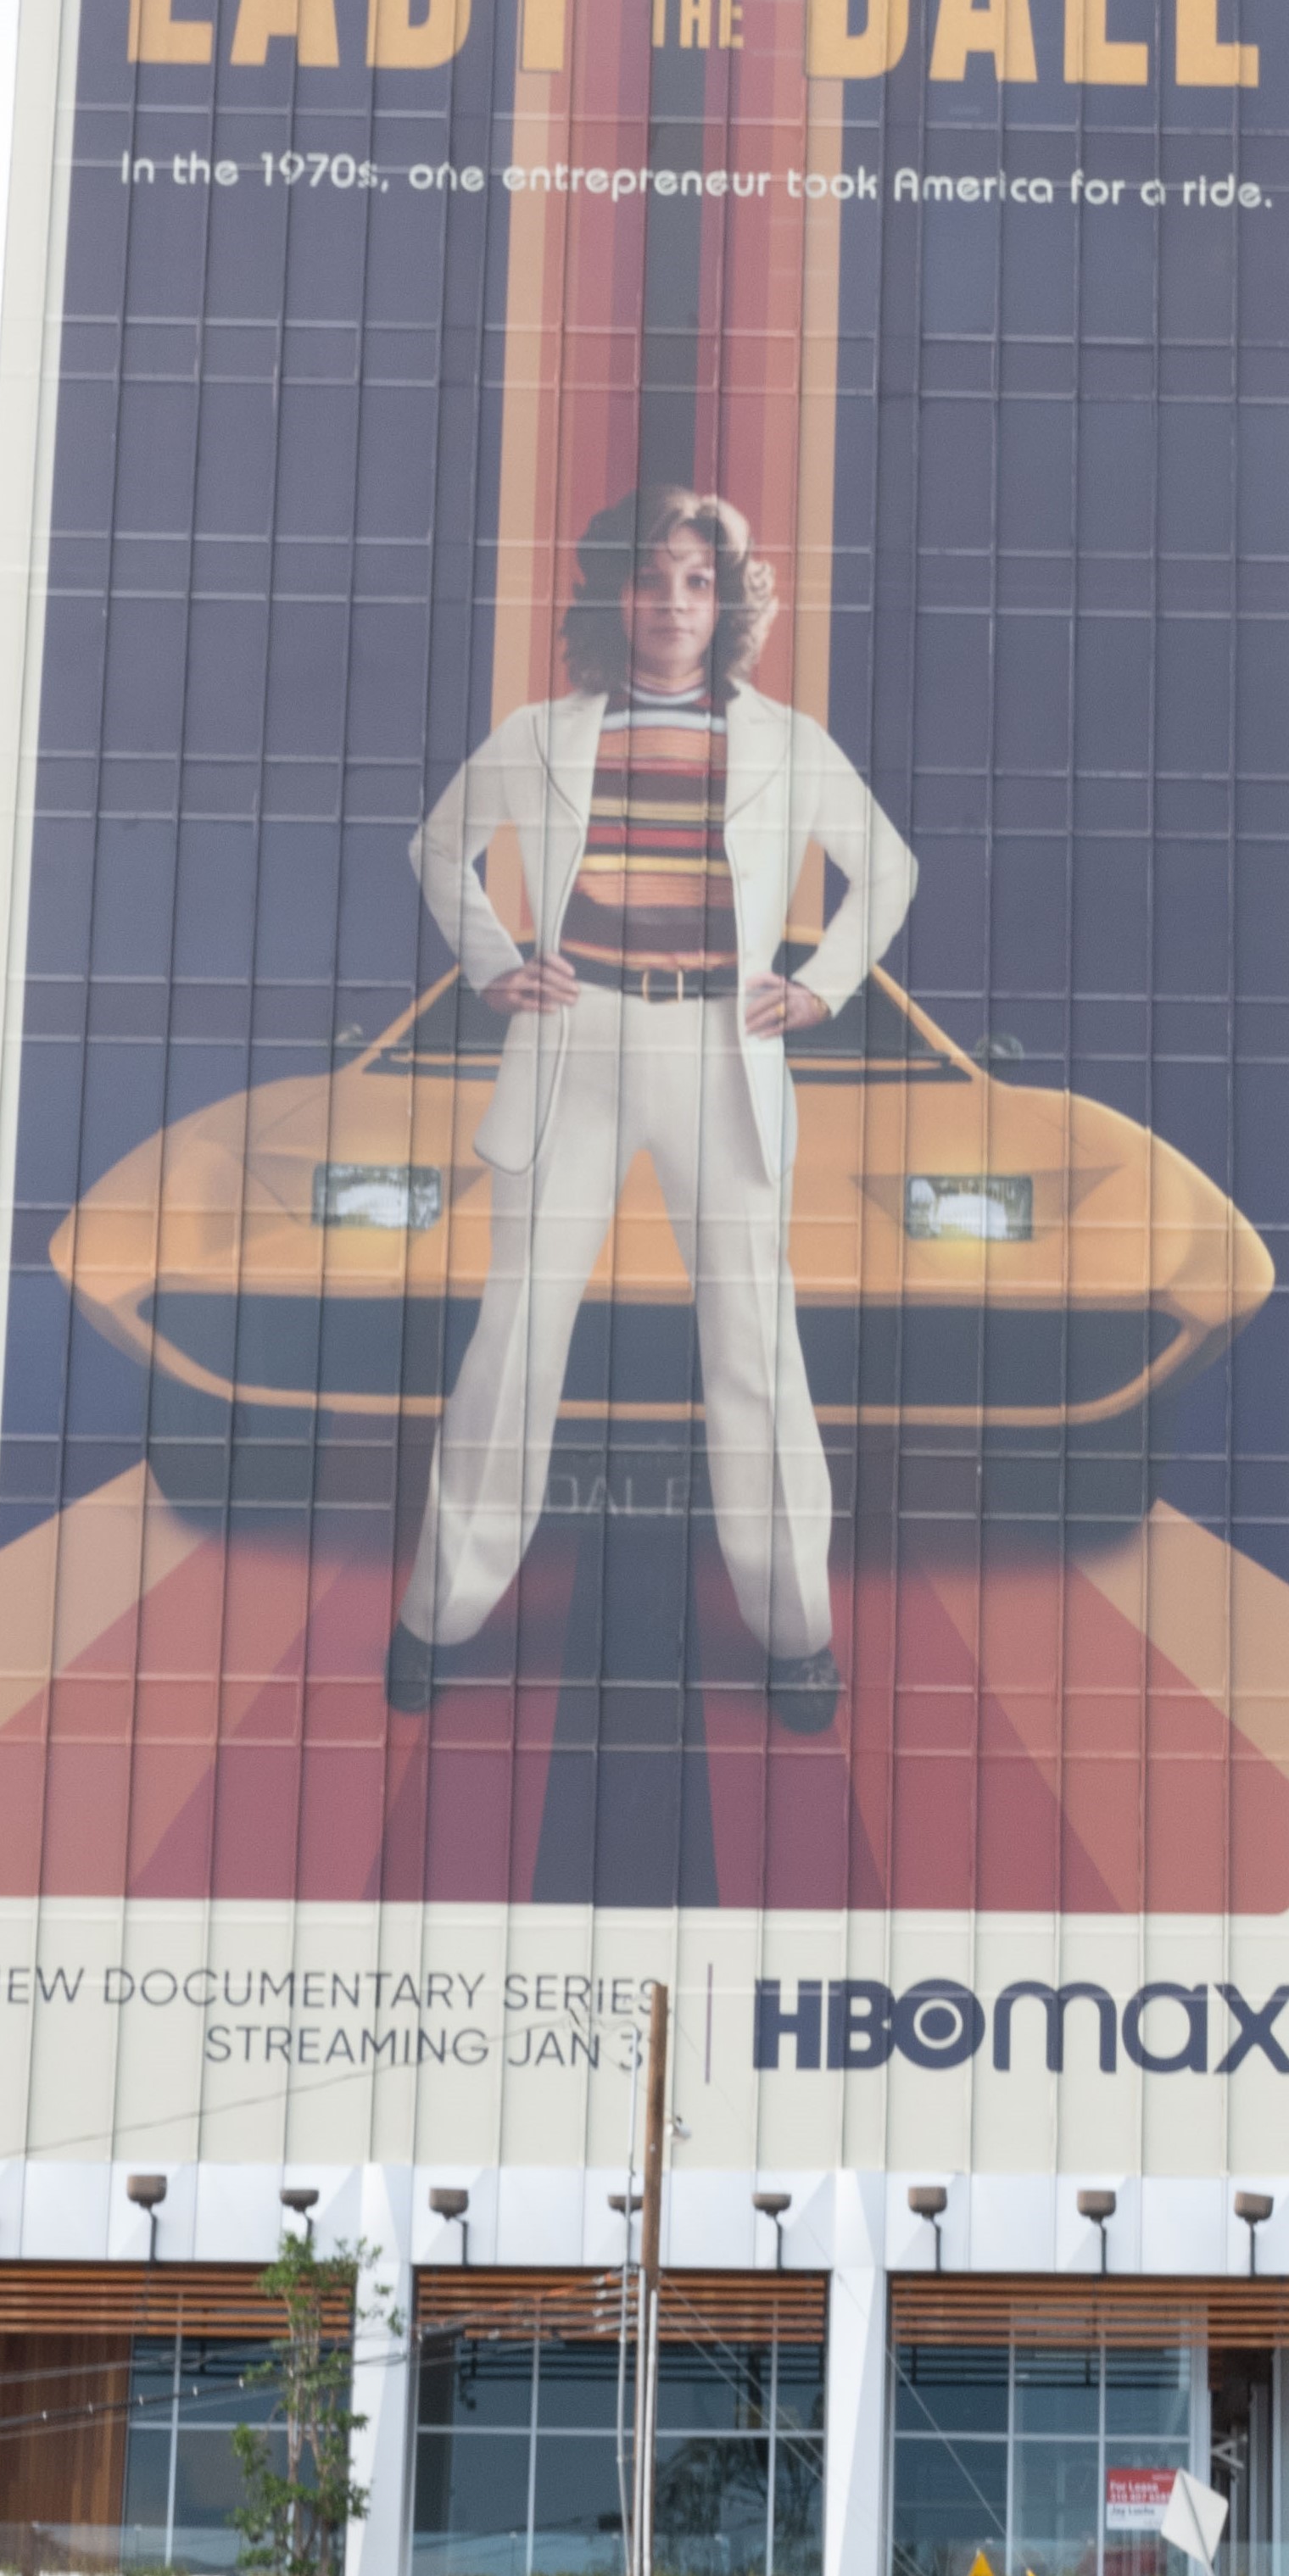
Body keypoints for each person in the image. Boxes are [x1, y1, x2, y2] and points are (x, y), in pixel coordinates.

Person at [393, 481, 916, 1728]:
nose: (675, 604)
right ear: (613, 596)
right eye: (652, 579)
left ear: (727, 604)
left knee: (754, 1347)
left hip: (719, 1047)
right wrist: (495, 959)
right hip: (575, 1039)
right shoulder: (541, 734)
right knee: (518, 1336)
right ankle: (437, 1617)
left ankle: (797, 1634)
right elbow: (439, 848)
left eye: (698, 582)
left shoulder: (786, 742)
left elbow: (885, 868)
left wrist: (821, 985)